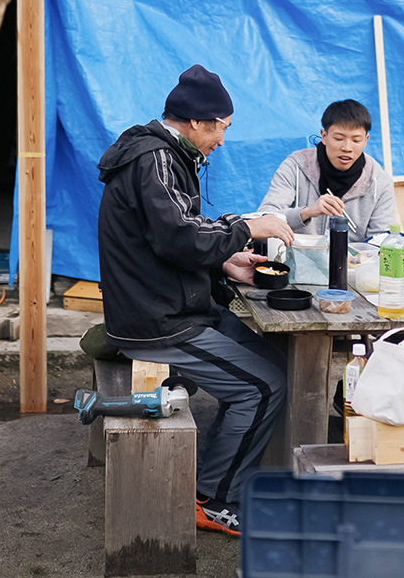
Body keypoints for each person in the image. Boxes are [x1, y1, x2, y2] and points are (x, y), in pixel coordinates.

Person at [96, 64, 295, 536]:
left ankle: (235, 475)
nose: (222, 141)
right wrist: (248, 226)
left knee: (281, 365)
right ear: (196, 121)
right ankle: (214, 497)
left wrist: (223, 262)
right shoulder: (156, 159)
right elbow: (179, 237)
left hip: (176, 305)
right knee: (262, 387)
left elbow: (167, 239)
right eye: (221, 128)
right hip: (157, 320)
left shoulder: (165, 155)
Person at [256, 99, 397, 242]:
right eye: (339, 138)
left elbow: (382, 241)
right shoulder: (295, 167)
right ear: (324, 136)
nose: (347, 148)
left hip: (353, 263)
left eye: (356, 140)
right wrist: (307, 212)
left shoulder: (379, 182)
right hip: (294, 261)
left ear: (366, 140)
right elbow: (264, 218)